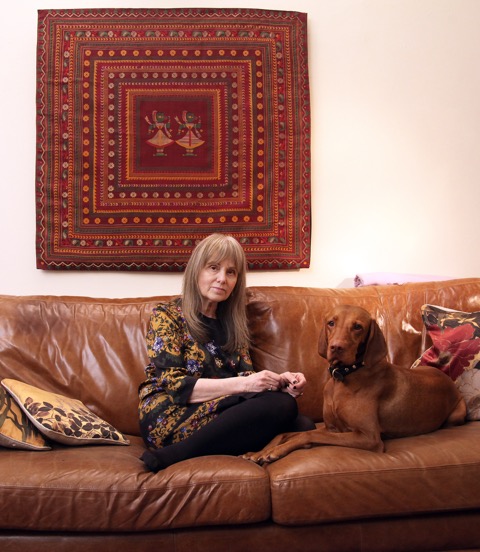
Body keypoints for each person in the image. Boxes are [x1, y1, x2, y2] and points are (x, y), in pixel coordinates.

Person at [138, 233, 314, 472]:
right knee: (282, 407)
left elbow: (246, 380)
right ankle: (173, 455)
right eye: (213, 268)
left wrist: (279, 383)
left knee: (302, 424)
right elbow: (176, 387)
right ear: (196, 271)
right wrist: (249, 385)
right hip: (169, 414)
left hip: (216, 412)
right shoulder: (166, 316)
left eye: (231, 272)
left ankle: (204, 448)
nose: (222, 279)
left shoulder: (233, 324)